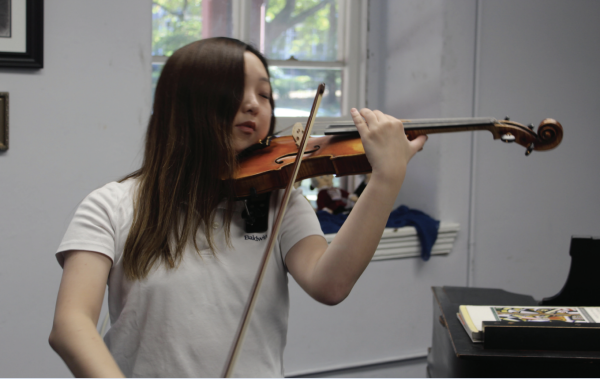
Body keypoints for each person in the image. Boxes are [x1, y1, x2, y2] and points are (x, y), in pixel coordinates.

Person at [48, 37, 427, 378]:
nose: (253, 104)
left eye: (264, 95)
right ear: (185, 101)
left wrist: (386, 178)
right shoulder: (111, 205)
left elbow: (330, 284)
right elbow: (71, 324)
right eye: (235, 88)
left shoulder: (280, 200)